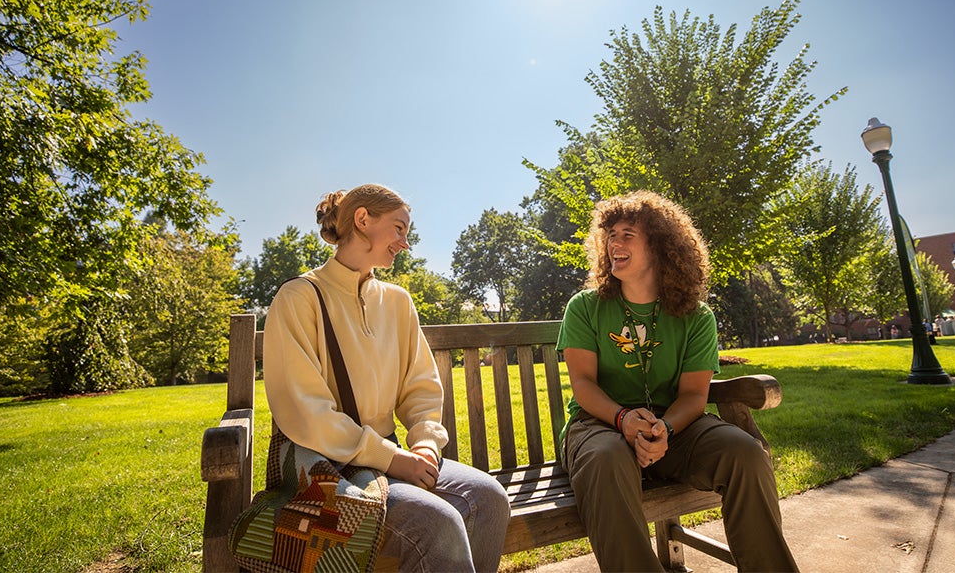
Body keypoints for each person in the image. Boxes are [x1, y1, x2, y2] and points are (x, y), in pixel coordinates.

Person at [265, 184, 511, 572]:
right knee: (437, 522)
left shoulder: (397, 301)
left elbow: (420, 386)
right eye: (399, 229)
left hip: (391, 458)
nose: (406, 243)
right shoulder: (299, 297)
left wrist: (427, 443)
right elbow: (305, 411)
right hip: (325, 470)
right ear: (362, 219)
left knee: (489, 499)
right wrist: (392, 458)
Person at [558, 191, 798, 572]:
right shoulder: (586, 307)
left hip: (675, 428)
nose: (614, 243)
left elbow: (692, 395)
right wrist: (624, 421)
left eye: (627, 235)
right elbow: (583, 385)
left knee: (746, 454)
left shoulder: (696, 317)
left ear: (660, 246)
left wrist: (664, 428)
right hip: (600, 424)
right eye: (610, 234)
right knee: (606, 459)